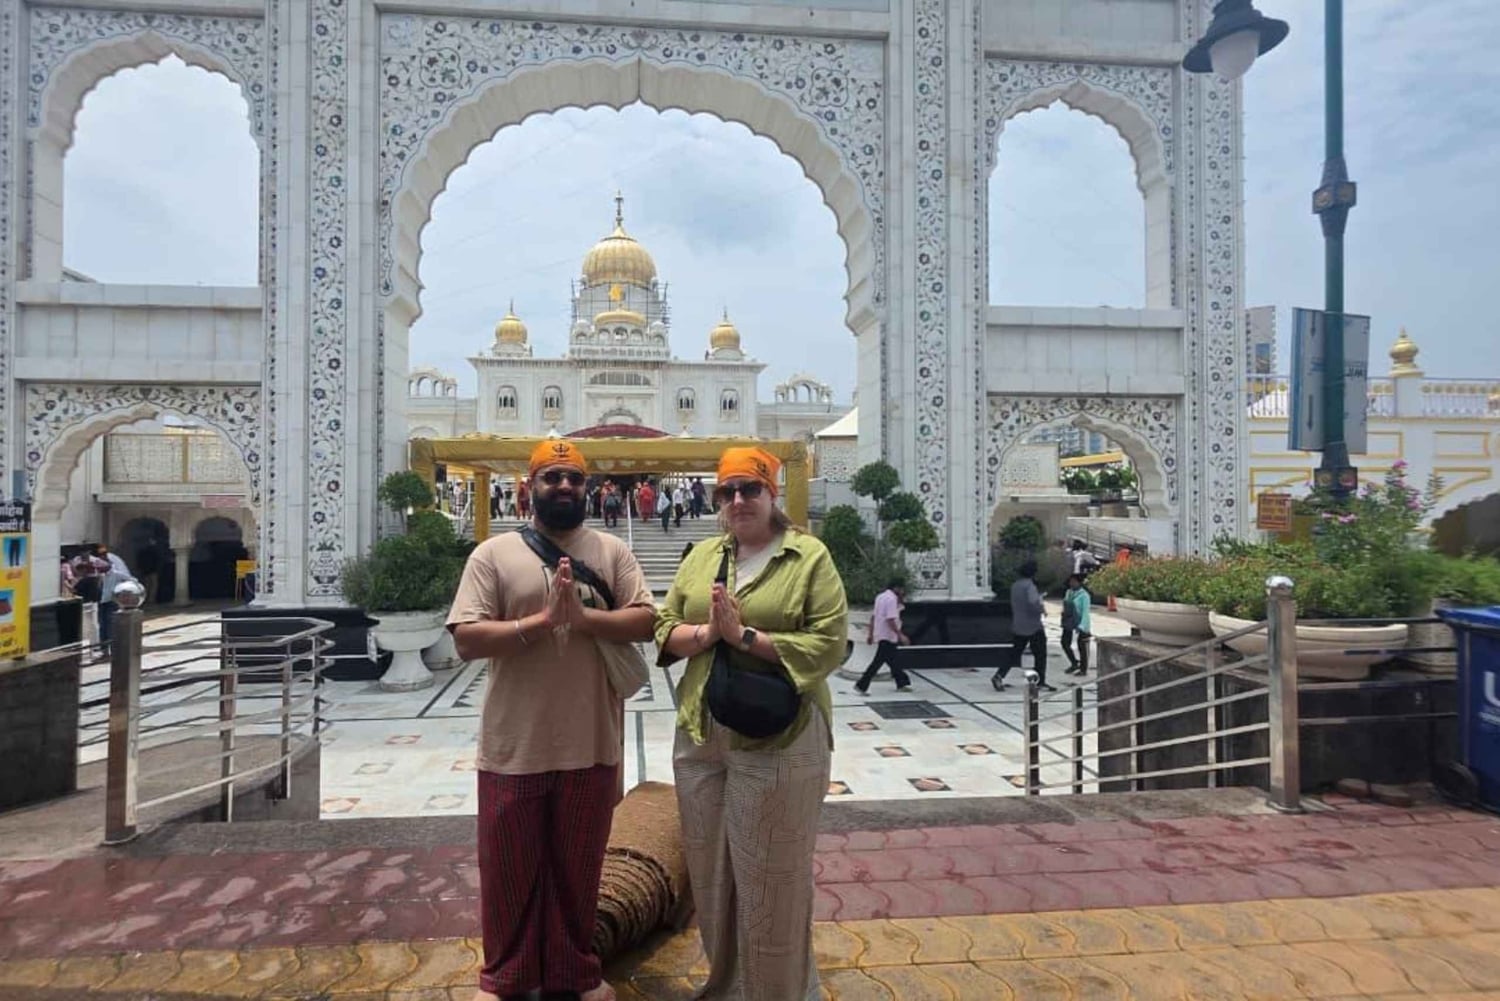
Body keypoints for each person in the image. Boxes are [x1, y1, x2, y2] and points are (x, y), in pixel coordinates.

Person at [448, 439, 655, 1001]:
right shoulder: (492, 555)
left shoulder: (612, 551)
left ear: (588, 489)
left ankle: (574, 972)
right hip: (514, 744)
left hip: (591, 741)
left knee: (577, 870)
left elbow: (644, 621)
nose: (564, 487)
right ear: (530, 486)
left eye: (574, 479)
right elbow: (466, 638)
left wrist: (582, 618)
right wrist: (541, 622)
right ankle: (506, 977)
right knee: (508, 870)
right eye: (552, 478)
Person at [655, 446, 848, 1001]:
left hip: (780, 735)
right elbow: (665, 623)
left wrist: (743, 637)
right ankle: (729, 986)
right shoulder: (704, 555)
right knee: (711, 875)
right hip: (701, 730)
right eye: (728, 491)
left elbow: (828, 643)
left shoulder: (807, 556)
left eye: (750, 489)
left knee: (772, 883)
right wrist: (707, 634)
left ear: (772, 493)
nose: (738, 500)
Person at [991, 560, 1054, 693]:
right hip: (1033, 626)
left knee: (1015, 653)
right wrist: (1041, 608)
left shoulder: (1016, 585)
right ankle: (1040, 681)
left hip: (1019, 624)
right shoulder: (1030, 586)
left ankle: (999, 675)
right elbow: (1032, 602)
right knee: (1040, 654)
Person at [853, 578, 912, 694]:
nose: (903, 592)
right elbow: (891, 619)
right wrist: (900, 635)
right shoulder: (891, 599)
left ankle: (902, 682)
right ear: (896, 588)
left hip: (881, 634)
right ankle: (861, 685)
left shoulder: (880, 597)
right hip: (888, 635)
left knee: (893, 661)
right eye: (902, 589)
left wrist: (871, 633)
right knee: (878, 662)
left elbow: (874, 616)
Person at [1061, 573, 1092, 676]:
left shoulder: (1084, 595)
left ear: (1079, 583)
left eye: (1074, 581)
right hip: (1069, 621)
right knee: (1065, 643)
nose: (1072, 583)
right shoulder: (1068, 592)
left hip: (1081, 622)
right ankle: (1074, 663)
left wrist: (1081, 626)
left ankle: (1083, 669)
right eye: (1071, 581)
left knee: (1082, 646)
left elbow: (1085, 612)